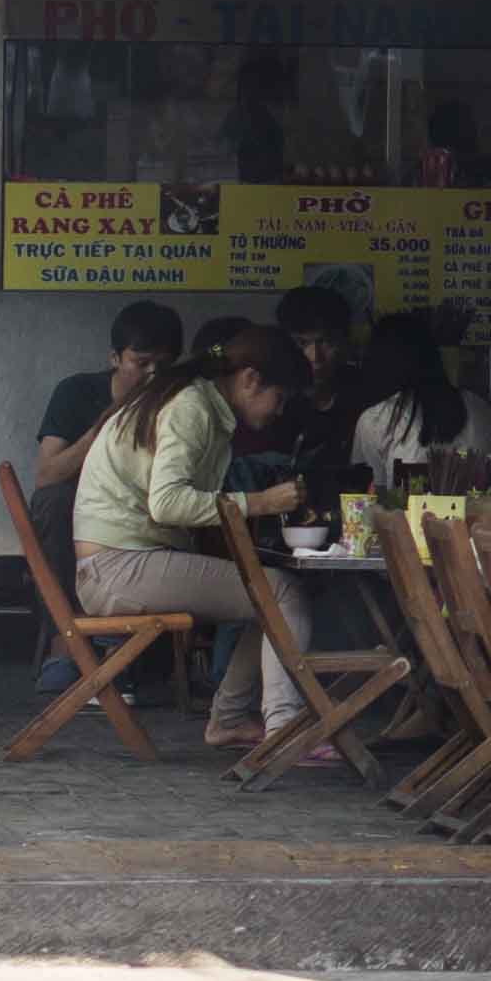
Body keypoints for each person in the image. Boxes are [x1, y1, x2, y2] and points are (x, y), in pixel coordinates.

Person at [75, 319, 317, 756]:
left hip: (117, 564)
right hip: (118, 568)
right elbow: (166, 504)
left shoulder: (199, 404)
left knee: (270, 595)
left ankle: (231, 721)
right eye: (279, 398)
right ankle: (284, 727)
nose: (279, 412)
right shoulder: (192, 408)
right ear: (249, 379)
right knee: (282, 593)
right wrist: (258, 502)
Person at [34, 301, 182, 508]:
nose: (153, 372)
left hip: (146, 505)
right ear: (115, 358)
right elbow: (47, 476)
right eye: (142, 363)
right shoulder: (76, 391)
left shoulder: (181, 401)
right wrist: (104, 428)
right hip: (86, 505)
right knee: (52, 500)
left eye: (164, 364)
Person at [349, 312, 489, 493]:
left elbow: (373, 492)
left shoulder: (375, 419)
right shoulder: (477, 407)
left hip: (405, 518)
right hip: (474, 517)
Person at [268, 285, 365, 478]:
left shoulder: (363, 395)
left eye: (326, 342)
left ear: (344, 342)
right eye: (302, 343)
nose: (314, 357)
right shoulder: (270, 400)